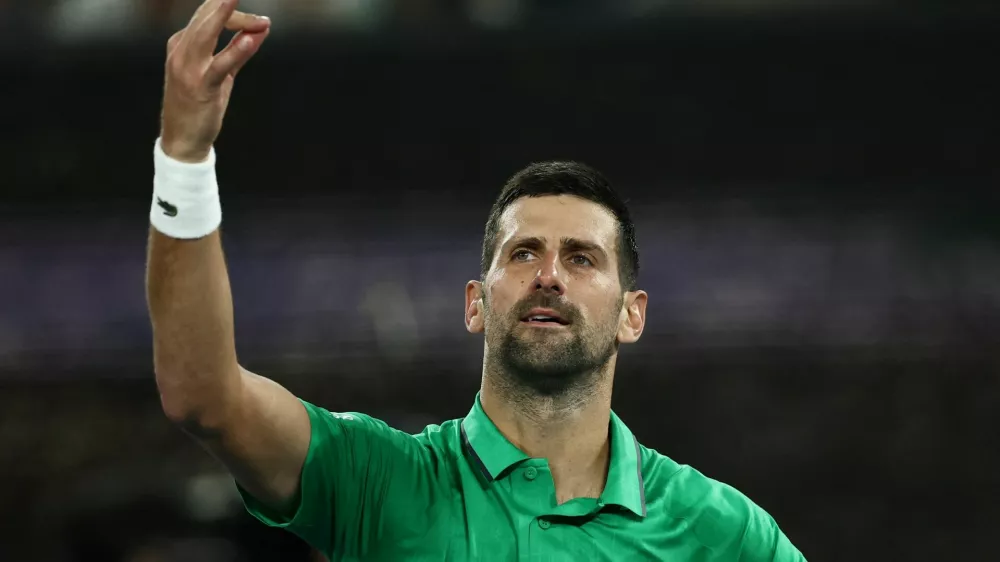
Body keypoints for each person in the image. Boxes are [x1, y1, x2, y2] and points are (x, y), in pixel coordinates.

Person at [146, 1, 808, 560]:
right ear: (475, 303)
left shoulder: (721, 530)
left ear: (633, 314)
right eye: (523, 254)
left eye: (581, 258)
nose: (549, 275)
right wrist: (184, 157)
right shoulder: (381, 483)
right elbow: (203, 396)